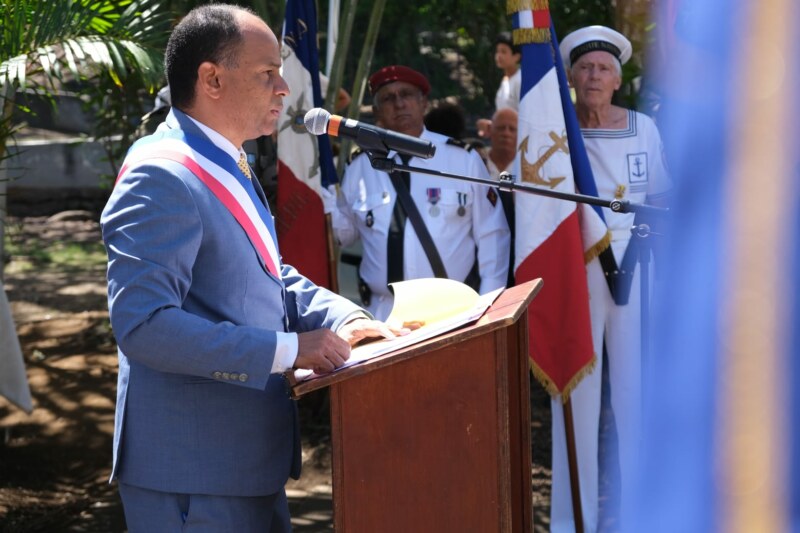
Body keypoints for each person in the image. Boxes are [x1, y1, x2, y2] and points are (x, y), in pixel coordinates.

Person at [100, 5, 396, 531]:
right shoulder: (163, 174)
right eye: (267, 74)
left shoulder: (225, 158)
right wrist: (288, 349)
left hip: (241, 466)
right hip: (192, 476)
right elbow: (143, 325)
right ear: (211, 78)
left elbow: (267, 273)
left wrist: (343, 317)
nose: (284, 88)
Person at [548, 26, 672, 533]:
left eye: (603, 68)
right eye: (584, 67)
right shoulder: (555, 131)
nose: (593, 75)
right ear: (571, 78)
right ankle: (570, 520)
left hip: (637, 272)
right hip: (576, 275)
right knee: (572, 390)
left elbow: (664, 195)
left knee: (638, 395)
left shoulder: (643, 127)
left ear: (618, 79)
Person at [325, 65, 511, 321]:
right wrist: (320, 195)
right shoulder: (360, 166)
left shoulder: (461, 159)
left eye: (407, 94)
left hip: (454, 313)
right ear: (377, 111)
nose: (399, 104)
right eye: (388, 98)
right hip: (384, 316)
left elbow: (493, 236)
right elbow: (343, 234)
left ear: (423, 103)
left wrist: (488, 307)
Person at [483, 107, 518, 287]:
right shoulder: (475, 166)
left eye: (512, 129)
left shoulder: (528, 174)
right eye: (500, 128)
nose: (506, 133)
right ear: (490, 132)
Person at [476, 32, 522, 138]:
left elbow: (524, 117)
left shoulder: (519, 80)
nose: (498, 56)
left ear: (516, 56)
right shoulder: (505, 80)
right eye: (497, 52)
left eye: (504, 52)